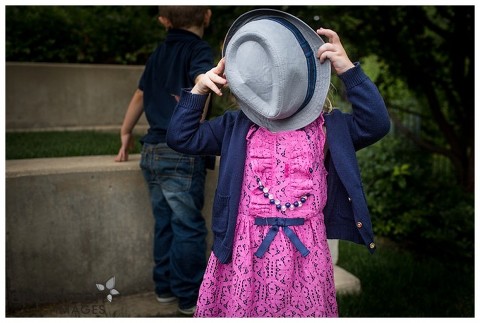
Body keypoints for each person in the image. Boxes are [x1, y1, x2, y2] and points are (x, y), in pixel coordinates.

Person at [166, 9, 390, 318]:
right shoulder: (235, 127)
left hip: (306, 257)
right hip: (243, 255)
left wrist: (349, 70)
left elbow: (376, 123)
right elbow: (181, 137)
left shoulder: (328, 127)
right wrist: (199, 91)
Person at [115, 6, 214, 316]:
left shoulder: (158, 53)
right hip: (181, 152)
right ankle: (188, 297)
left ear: (164, 21)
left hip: (152, 150)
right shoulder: (199, 49)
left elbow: (139, 96)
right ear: (207, 16)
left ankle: (164, 288)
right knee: (188, 226)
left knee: (165, 222)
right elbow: (202, 77)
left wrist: (125, 131)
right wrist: (204, 83)